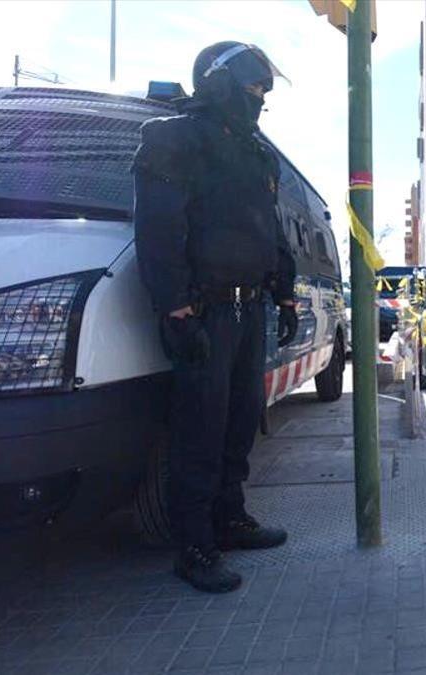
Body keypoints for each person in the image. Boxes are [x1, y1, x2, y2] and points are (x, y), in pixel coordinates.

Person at [134, 42, 297, 593]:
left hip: (249, 308)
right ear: (220, 83)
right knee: (199, 428)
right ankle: (194, 545)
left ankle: (230, 518)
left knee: (239, 420)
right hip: (203, 309)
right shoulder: (174, 138)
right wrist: (175, 306)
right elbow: (158, 228)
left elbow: (269, 230)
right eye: (252, 89)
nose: (258, 100)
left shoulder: (255, 153)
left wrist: (287, 292)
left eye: (263, 94)